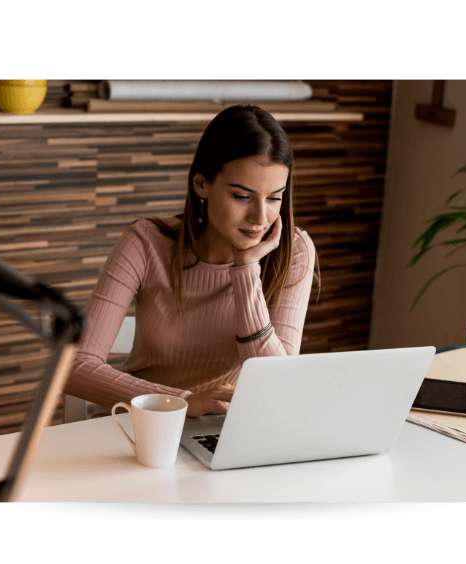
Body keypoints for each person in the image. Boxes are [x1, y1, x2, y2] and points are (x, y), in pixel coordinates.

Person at [63, 104, 320, 418]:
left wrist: (246, 270)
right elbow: (74, 367)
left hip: (226, 432)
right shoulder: (146, 243)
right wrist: (182, 401)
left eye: (274, 197)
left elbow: (277, 385)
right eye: (242, 196)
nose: (260, 217)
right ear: (202, 184)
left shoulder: (294, 252)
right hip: (142, 426)